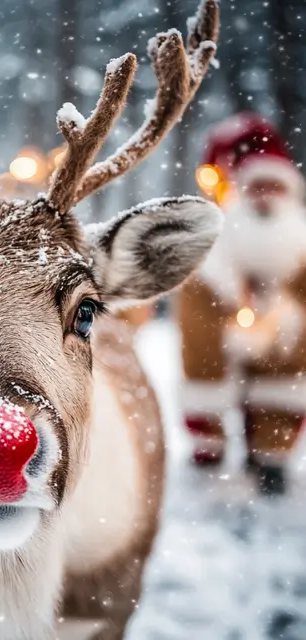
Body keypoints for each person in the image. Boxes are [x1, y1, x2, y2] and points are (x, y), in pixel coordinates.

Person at [177, 112, 306, 495]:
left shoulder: (296, 234)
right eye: (257, 187)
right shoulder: (226, 229)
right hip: (227, 317)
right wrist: (233, 295)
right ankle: (208, 438)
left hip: (285, 328)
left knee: (285, 376)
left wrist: (286, 309)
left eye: (273, 187)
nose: (265, 197)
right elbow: (208, 275)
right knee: (203, 354)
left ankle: (272, 451)